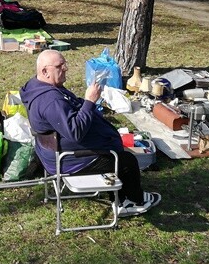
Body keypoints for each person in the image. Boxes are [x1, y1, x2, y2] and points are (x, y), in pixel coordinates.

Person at [20, 50, 161, 218]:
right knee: (125, 161)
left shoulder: (37, 86)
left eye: (64, 64)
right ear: (44, 71)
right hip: (68, 161)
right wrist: (89, 102)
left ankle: (120, 195)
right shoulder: (51, 101)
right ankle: (131, 202)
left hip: (51, 151)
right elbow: (76, 132)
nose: (65, 68)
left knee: (117, 155)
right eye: (59, 66)